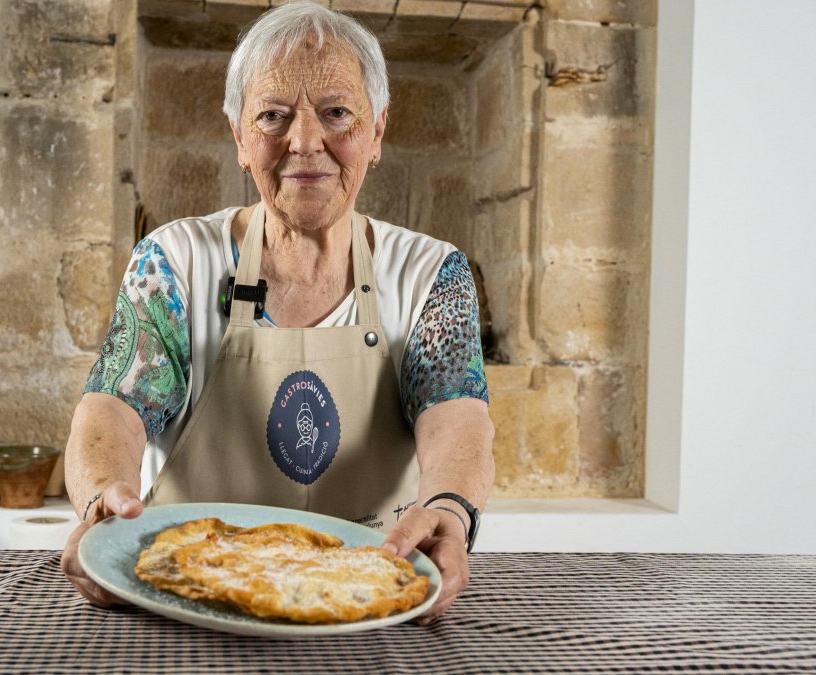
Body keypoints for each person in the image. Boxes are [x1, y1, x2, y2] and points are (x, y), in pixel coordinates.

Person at [60, 0, 494, 623]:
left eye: (338, 113)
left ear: (377, 133)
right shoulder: (175, 260)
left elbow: (458, 420)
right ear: (240, 137)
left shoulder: (432, 273)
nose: (305, 141)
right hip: (187, 590)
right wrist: (102, 501)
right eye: (272, 116)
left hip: (368, 597)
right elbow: (115, 408)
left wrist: (450, 513)